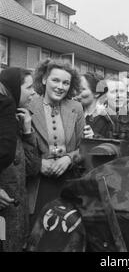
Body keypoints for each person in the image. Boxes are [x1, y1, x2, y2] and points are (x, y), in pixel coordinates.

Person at [27, 59, 85, 226]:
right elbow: (19, 149)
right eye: (56, 80)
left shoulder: (76, 108)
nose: (61, 86)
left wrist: (68, 158)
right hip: (36, 184)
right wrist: (38, 164)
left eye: (66, 83)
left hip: (67, 183)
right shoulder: (28, 104)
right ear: (44, 79)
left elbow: (84, 148)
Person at [0, 67, 40, 251]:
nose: (33, 92)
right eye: (29, 87)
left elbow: (32, 169)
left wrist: (27, 132)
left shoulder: (17, 120)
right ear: (15, 88)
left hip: (17, 218)